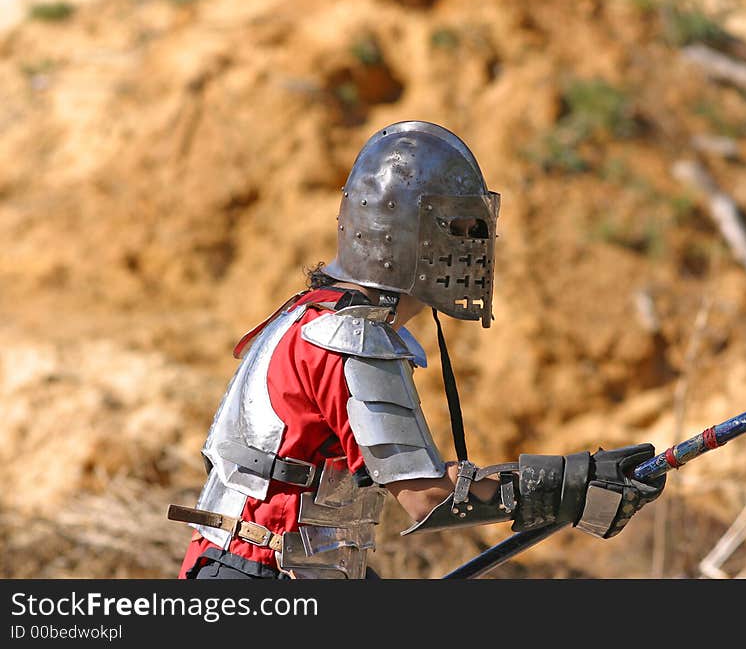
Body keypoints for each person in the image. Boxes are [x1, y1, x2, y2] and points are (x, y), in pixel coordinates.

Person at [169, 120, 666, 579]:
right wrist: (565, 492)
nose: (475, 247)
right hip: (258, 574)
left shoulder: (307, 314)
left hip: (265, 566)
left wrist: (566, 483)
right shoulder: (351, 339)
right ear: (408, 238)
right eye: (459, 230)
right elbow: (426, 497)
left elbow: (426, 477)